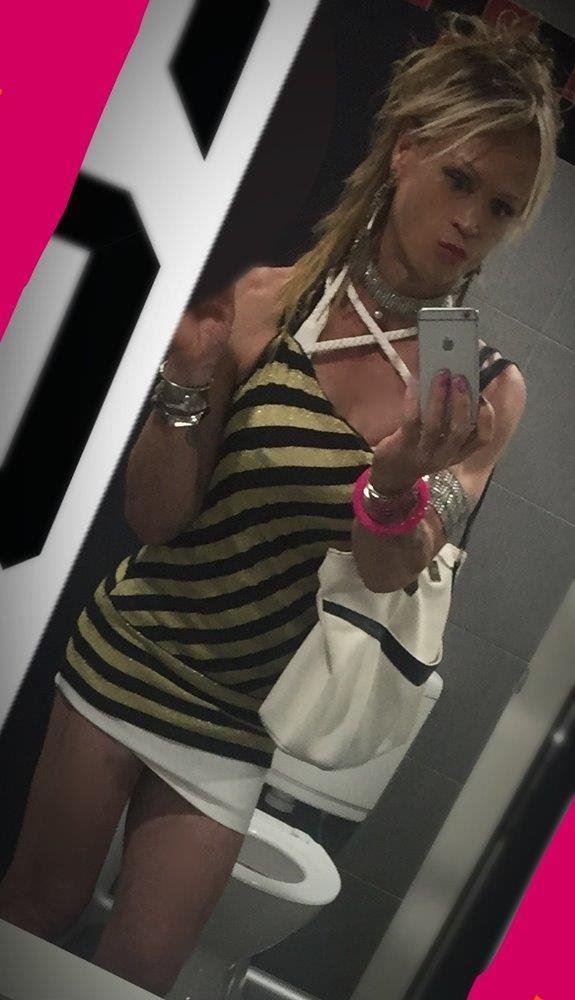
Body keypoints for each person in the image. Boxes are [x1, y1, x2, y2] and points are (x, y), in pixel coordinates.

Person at [0, 12, 562, 997]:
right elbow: (156, 519)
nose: (471, 220)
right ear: (405, 150)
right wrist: (184, 381)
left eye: (501, 206)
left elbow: (387, 571)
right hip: (129, 652)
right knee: (34, 913)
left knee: (141, 975)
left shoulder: (480, 388)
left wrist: (396, 478)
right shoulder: (271, 302)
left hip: (237, 720)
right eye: (459, 179)